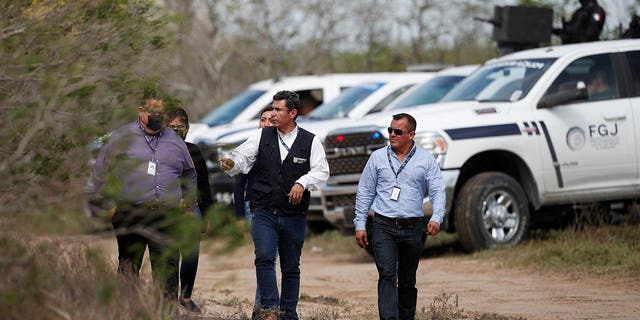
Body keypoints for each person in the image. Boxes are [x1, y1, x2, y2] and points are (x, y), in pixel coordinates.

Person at [219, 90, 329, 320]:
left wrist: (302, 181)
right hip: (263, 210)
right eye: (273, 108)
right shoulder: (262, 136)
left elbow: (322, 171)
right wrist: (231, 162)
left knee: (290, 267)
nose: (274, 114)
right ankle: (269, 310)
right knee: (264, 258)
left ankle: (288, 314)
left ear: (293, 113)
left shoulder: (310, 140)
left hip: (294, 215)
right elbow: (242, 157)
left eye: (279, 110)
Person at [92, 96, 197, 300]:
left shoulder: (175, 141)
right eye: (153, 113)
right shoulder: (121, 137)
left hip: (166, 215)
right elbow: (100, 171)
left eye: (161, 114)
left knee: (167, 266)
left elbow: (190, 173)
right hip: (131, 212)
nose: (157, 118)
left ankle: (164, 311)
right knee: (129, 265)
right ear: (141, 111)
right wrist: (108, 204)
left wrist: (189, 205)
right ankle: (127, 310)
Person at [354, 113, 445, 320]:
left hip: (413, 227)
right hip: (383, 225)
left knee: (407, 279)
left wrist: (436, 217)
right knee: (386, 274)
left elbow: (438, 190)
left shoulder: (425, 159)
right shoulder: (377, 157)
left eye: (398, 131)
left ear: (411, 134)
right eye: (390, 130)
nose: (392, 135)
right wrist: (360, 224)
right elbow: (365, 191)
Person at [167, 107, 214, 313]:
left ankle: (186, 296)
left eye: (181, 127)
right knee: (168, 256)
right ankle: (167, 298)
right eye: (172, 127)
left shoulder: (193, 150)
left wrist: (207, 214)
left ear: (187, 128)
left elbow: (204, 184)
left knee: (191, 254)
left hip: (191, 209)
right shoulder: (158, 150)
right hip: (166, 210)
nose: (177, 131)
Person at [232, 106, 274, 317]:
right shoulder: (250, 146)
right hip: (253, 208)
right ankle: (262, 308)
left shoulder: (284, 147)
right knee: (266, 258)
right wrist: (239, 216)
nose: (266, 123)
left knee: (268, 259)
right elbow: (239, 184)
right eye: (262, 119)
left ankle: (264, 307)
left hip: (277, 209)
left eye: (270, 120)